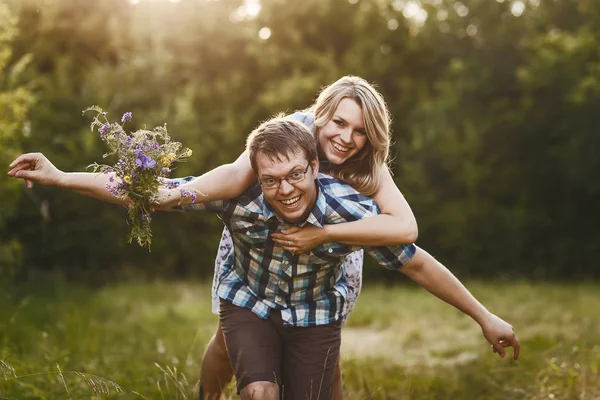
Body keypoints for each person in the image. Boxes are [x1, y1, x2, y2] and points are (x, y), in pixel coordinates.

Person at [8, 117, 520, 400]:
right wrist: (60, 176)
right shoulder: (239, 195)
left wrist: (485, 315)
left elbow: (417, 263)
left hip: (316, 310)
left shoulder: (350, 211)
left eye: (297, 175)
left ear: (316, 166)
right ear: (256, 174)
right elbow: (150, 190)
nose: (286, 190)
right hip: (249, 297)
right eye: (271, 179)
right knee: (257, 392)